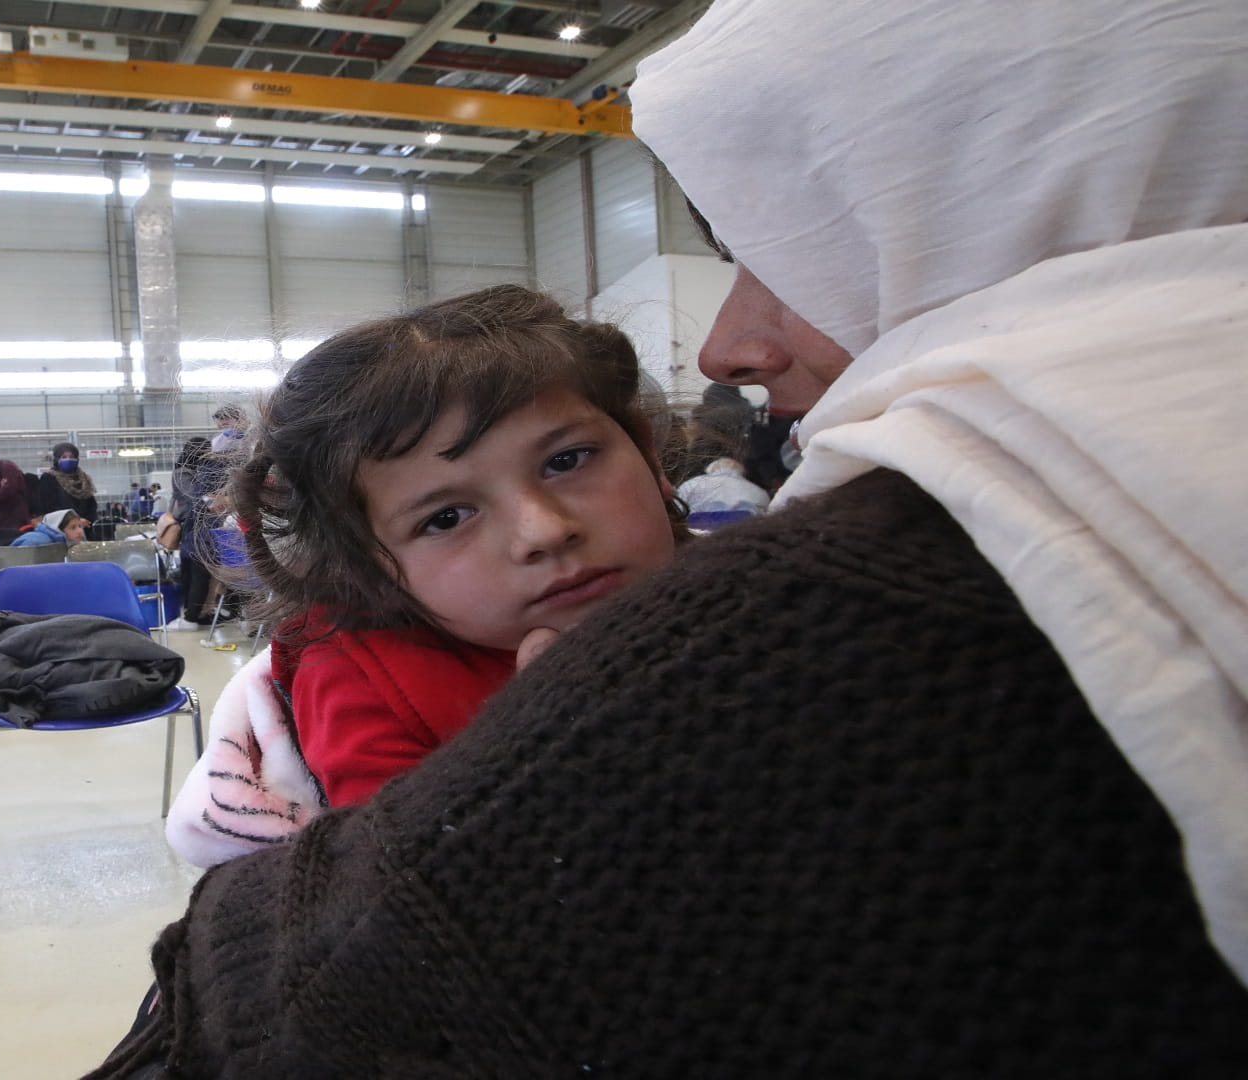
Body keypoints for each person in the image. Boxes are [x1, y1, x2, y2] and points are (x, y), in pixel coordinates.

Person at [88, 2, 1248, 1075]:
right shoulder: (365, 670)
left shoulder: (822, 616)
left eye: (793, 259)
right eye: (445, 517)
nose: (732, 344)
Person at [166, 285, 682, 858]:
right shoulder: (363, 686)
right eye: (446, 518)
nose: (544, 530)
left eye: (566, 460)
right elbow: (417, 884)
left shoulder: (754, 588)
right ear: (367, 568)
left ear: (647, 453)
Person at [161, 437, 216, 630]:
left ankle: (196, 615)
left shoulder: (200, 473)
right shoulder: (183, 474)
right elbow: (195, 498)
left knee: (199, 571)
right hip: (192, 526)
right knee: (193, 571)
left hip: (203, 527)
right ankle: (192, 615)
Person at [35, 441, 99, 521]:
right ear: (57, 459)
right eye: (64, 457)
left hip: (84, 527)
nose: (68, 460)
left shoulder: (83, 478)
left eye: (72, 457)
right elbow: (49, 507)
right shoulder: (49, 478)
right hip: (60, 526)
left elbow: (91, 504)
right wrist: (73, 521)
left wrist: (87, 520)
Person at [10, 508, 85, 548]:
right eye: (73, 527)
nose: (80, 531)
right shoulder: (38, 542)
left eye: (80, 526)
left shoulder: (64, 543)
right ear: (58, 529)